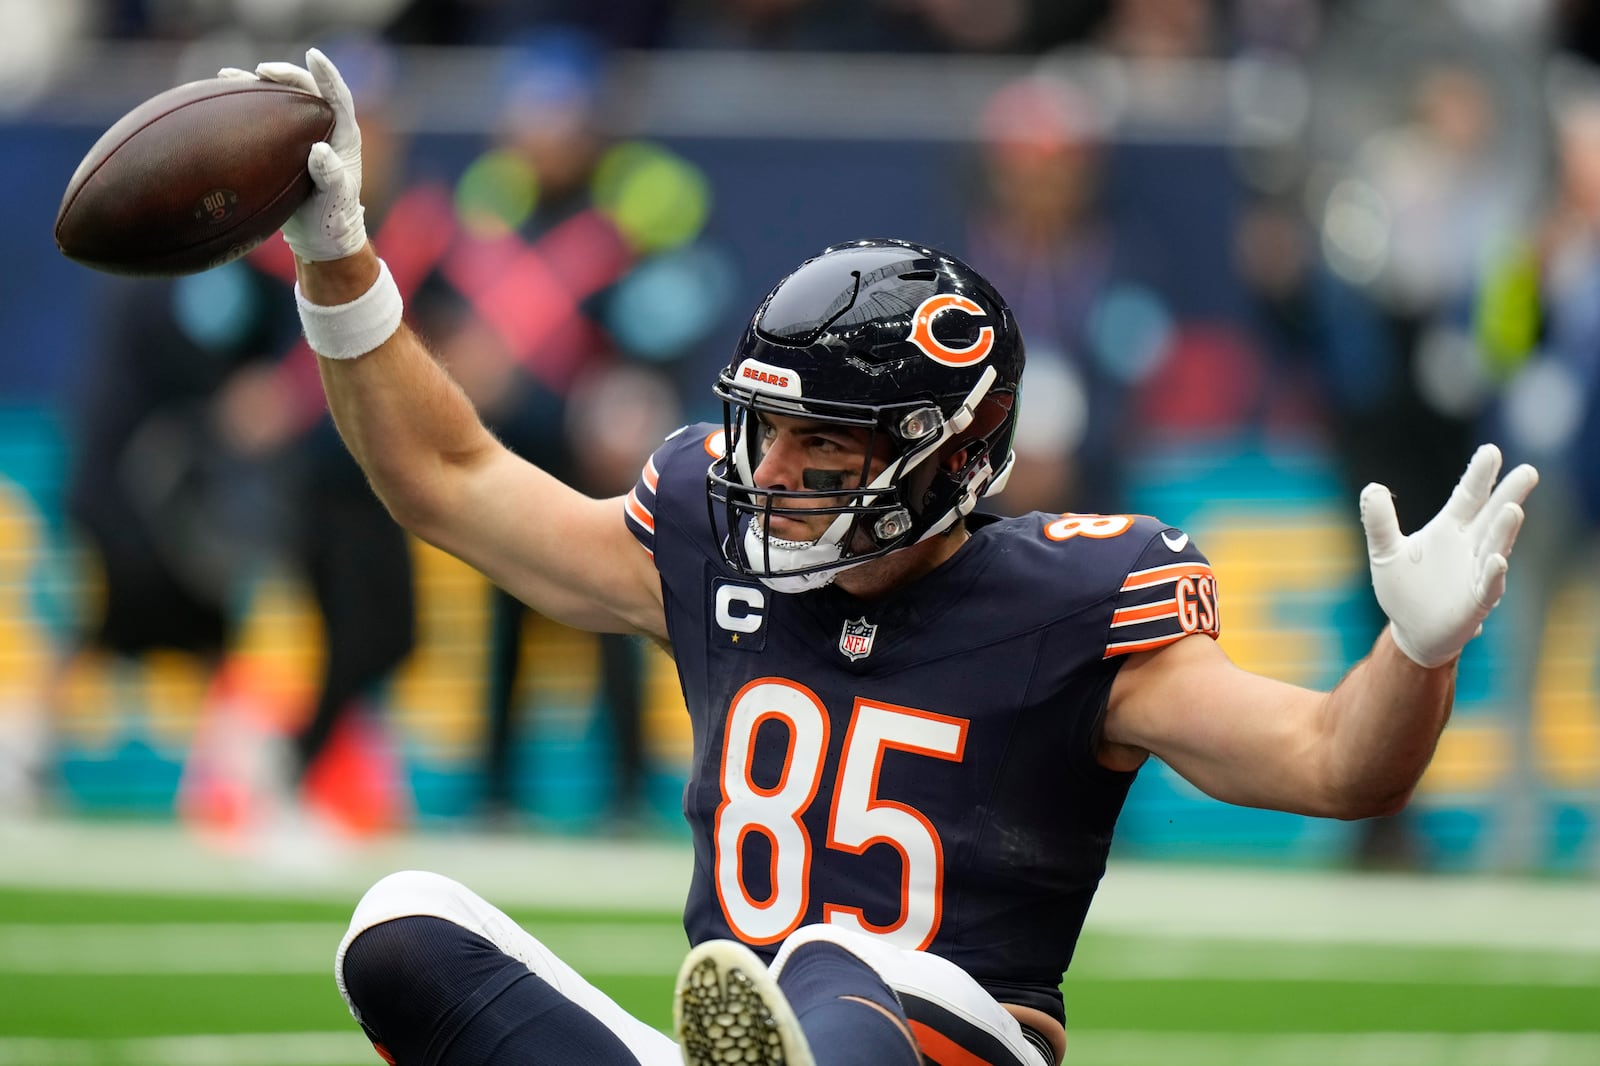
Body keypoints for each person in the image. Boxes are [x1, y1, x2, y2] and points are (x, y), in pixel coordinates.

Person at [237, 49, 1537, 1066]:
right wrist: (336, 252)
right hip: (763, 1022)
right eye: (768, 429)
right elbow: (447, 476)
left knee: (842, 964)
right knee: (399, 930)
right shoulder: (708, 533)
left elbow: (1331, 761)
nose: (776, 470)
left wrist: (1417, 652)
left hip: (943, 1032)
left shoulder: (1070, 604)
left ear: (949, 455)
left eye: (826, 443)